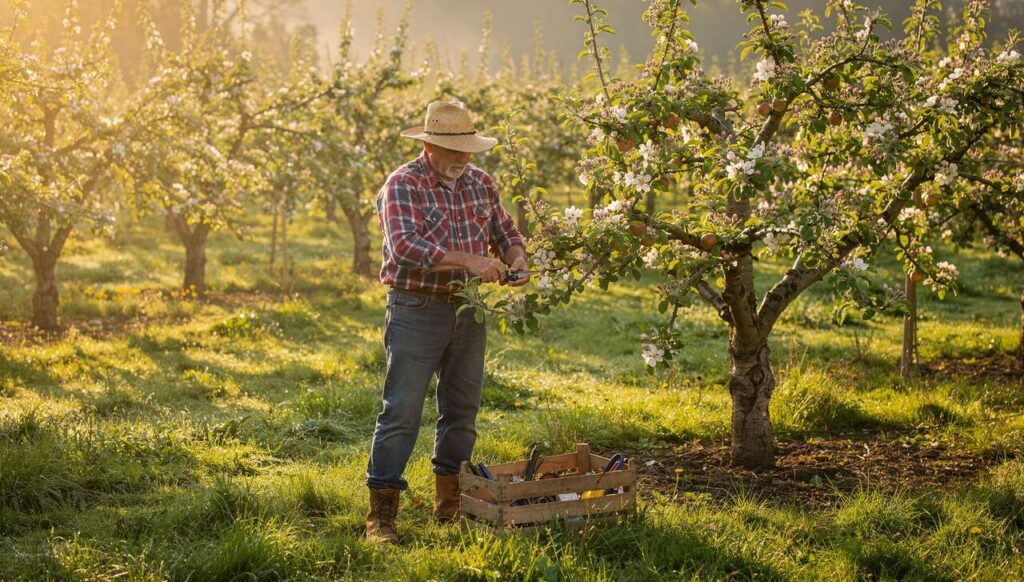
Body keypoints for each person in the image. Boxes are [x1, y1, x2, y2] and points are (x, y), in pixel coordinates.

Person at [365, 100, 528, 544]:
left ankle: (449, 505)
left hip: (467, 310)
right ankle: (381, 517)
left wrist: (516, 258)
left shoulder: (480, 183)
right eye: (453, 150)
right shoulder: (403, 184)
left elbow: (505, 231)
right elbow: (404, 248)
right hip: (417, 308)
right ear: (430, 146)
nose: (463, 159)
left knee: (462, 412)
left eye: (468, 150)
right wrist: (471, 261)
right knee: (401, 411)